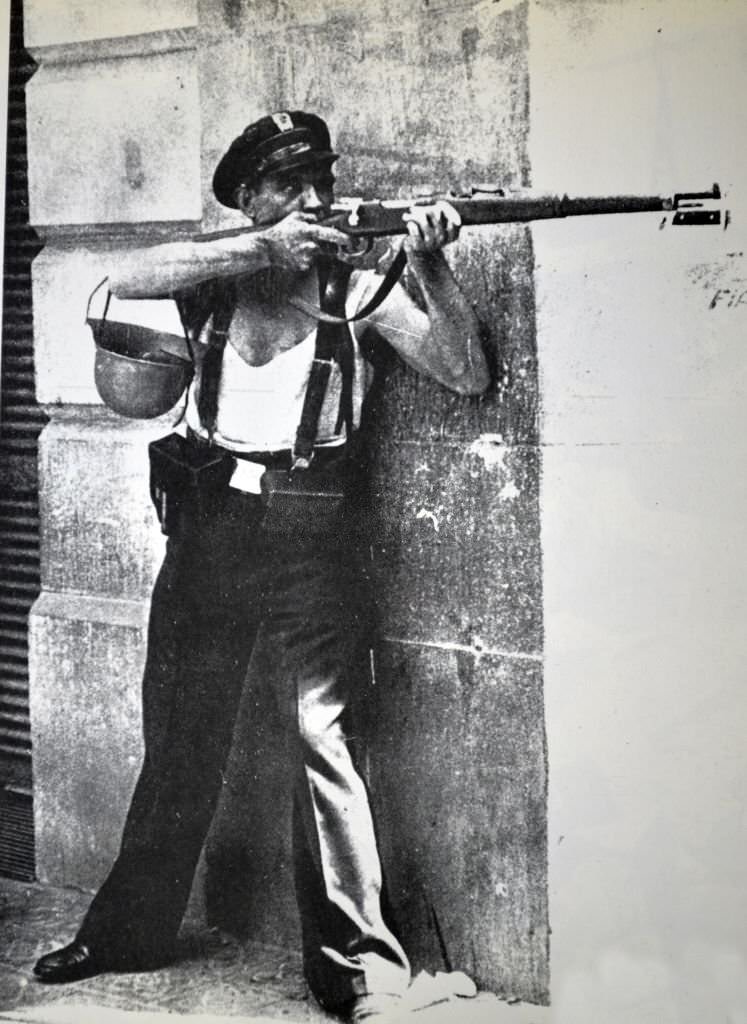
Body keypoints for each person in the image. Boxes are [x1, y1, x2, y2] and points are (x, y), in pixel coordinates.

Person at [33, 110, 490, 1022]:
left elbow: (465, 373)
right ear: (250, 198)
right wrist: (260, 249)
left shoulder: (361, 278)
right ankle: (126, 932)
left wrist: (427, 260)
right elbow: (127, 276)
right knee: (180, 734)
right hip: (205, 523)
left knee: (326, 750)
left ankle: (357, 971)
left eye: (320, 180)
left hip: (310, 532)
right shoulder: (222, 270)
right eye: (288, 185)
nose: (314, 200)